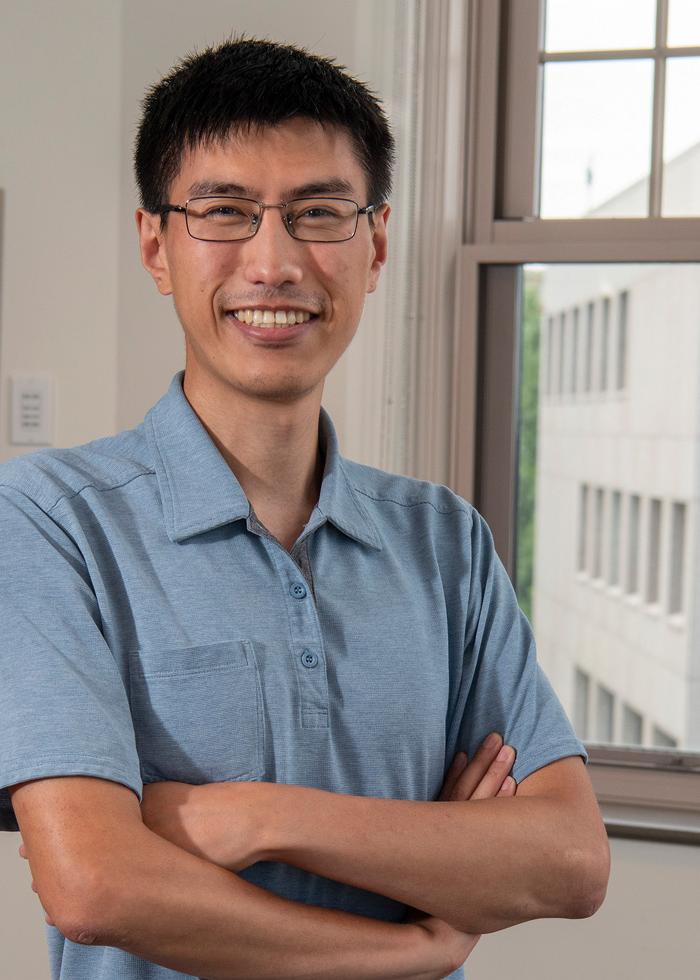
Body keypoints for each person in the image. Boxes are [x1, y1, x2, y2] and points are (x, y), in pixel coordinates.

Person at [0, 36, 609, 980]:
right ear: (157, 246)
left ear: (375, 245)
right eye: (225, 212)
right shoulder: (50, 521)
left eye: (319, 212)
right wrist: (412, 946)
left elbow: (569, 861)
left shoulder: (444, 541)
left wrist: (252, 816)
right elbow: (94, 886)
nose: (275, 262)